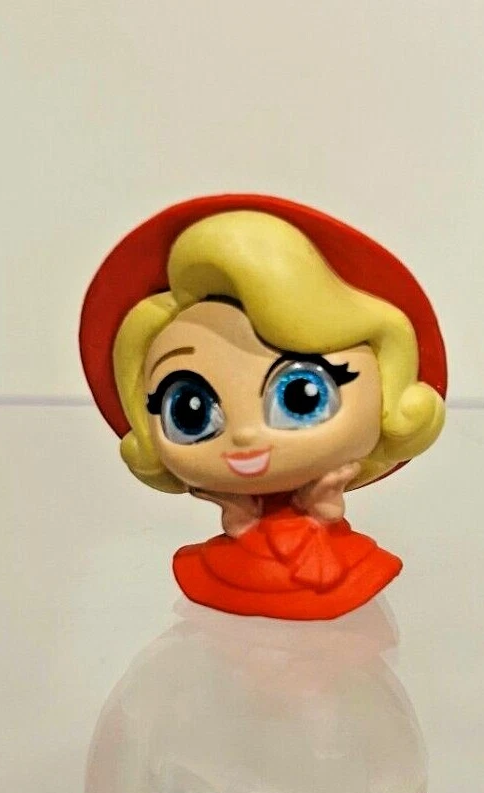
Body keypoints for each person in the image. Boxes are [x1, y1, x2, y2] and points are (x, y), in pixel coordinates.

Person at [80, 195, 447, 619]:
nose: (244, 435)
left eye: (300, 396)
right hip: (231, 571)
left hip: (333, 565)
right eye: (190, 411)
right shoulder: (204, 570)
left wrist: (323, 501)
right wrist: (239, 515)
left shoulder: (361, 566)